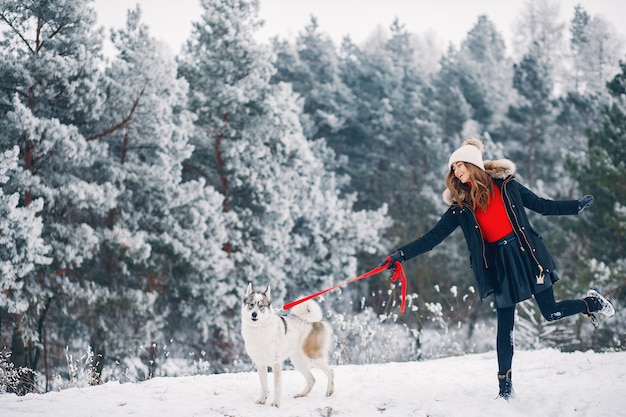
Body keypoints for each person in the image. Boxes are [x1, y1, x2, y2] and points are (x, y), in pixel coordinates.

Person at [382, 138, 615, 400]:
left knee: (551, 312)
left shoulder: (507, 187)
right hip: (500, 266)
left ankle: (591, 304)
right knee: (505, 328)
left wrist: (576, 206)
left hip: (528, 256)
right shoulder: (461, 208)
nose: (456, 172)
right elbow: (432, 238)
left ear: (473, 164)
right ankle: (505, 389)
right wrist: (401, 255)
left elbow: (543, 206)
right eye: (453, 169)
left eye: (460, 166)